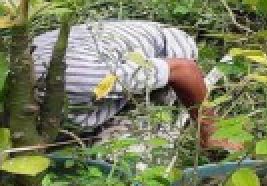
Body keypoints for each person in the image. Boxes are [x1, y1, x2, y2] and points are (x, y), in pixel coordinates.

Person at [31, 20, 233, 151]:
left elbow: (182, 70)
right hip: (96, 58)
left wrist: (211, 132)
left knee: (123, 155)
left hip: (168, 56)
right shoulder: (18, 74)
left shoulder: (87, 79)